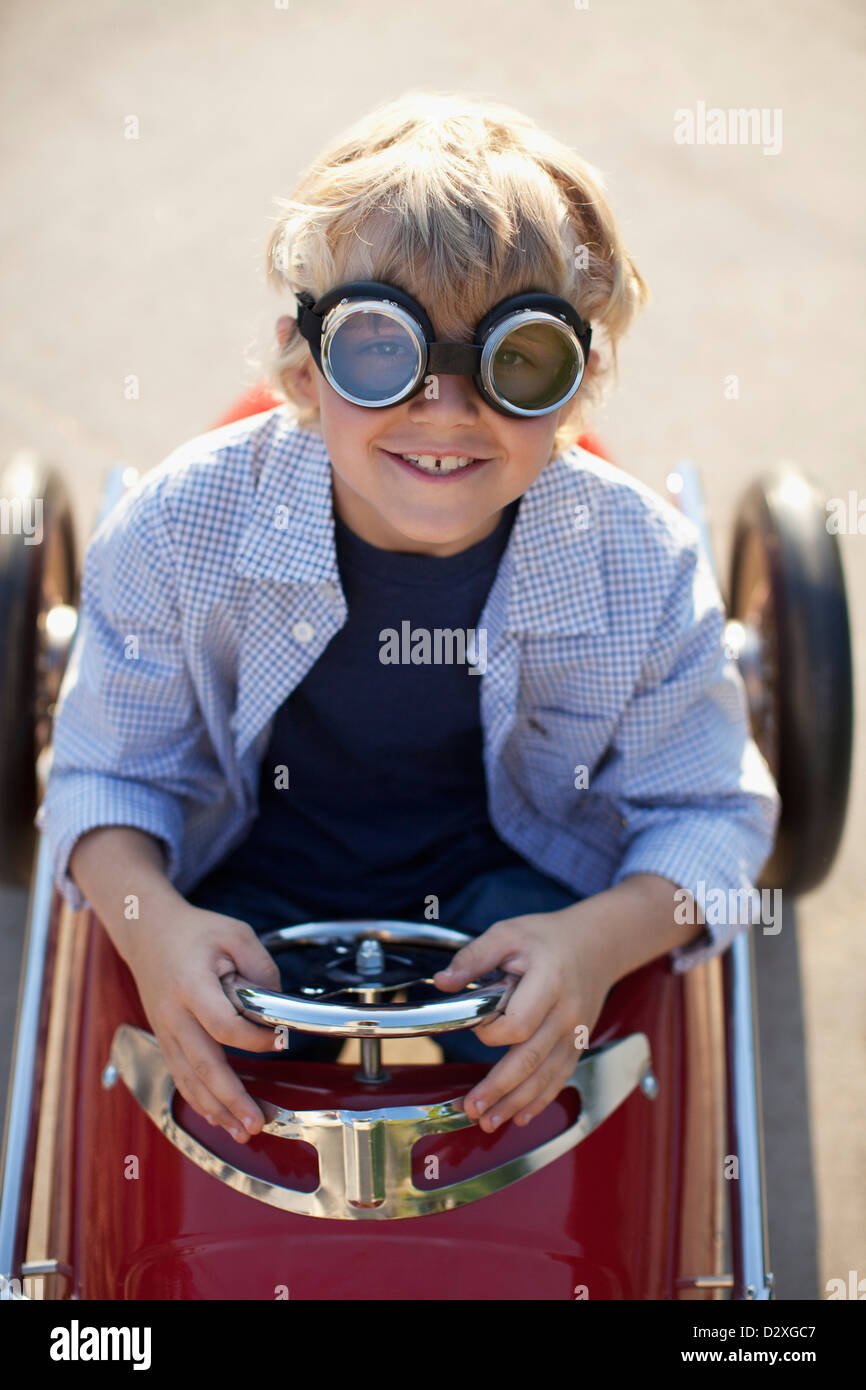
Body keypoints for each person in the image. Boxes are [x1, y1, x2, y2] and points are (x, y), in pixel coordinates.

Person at [36, 91, 780, 1149]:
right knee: (182, 1117)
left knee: (574, 1106)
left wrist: (594, 942)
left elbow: (710, 813)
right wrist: (155, 933)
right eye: (382, 350)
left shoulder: (638, 564)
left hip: (519, 883)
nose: (444, 408)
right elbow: (109, 774)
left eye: (513, 362)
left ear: (578, 387)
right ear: (303, 363)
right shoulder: (177, 529)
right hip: (245, 865)